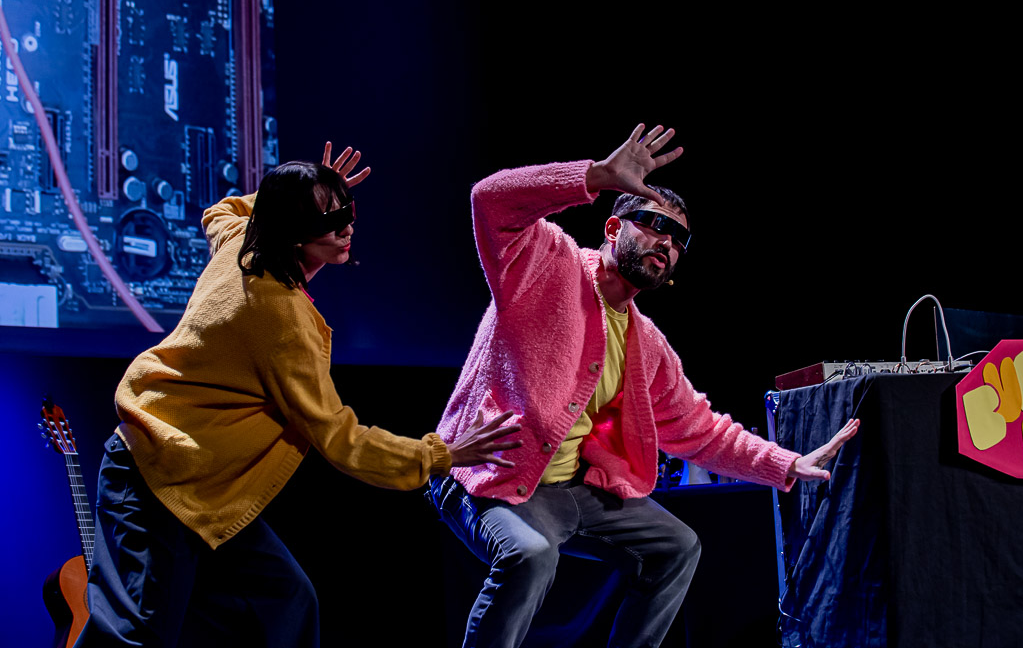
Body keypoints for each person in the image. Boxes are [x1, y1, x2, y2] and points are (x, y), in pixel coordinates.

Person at [430, 124, 859, 648]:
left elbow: (702, 430)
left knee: (677, 546)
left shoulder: (646, 342)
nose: (668, 244)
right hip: (485, 475)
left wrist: (786, 463)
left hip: (571, 490)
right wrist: (595, 176)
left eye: (679, 240)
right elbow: (490, 200)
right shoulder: (547, 264)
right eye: (656, 225)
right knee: (531, 554)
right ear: (613, 228)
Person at [75, 144, 521, 648]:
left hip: (205, 490)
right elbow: (340, 438)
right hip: (157, 476)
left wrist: (306, 192)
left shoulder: (244, 240)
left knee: (285, 603)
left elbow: (219, 210)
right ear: (292, 232)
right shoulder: (282, 319)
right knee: (136, 633)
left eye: (347, 209)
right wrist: (442, 455)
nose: (346, 227)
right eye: (328, 219)